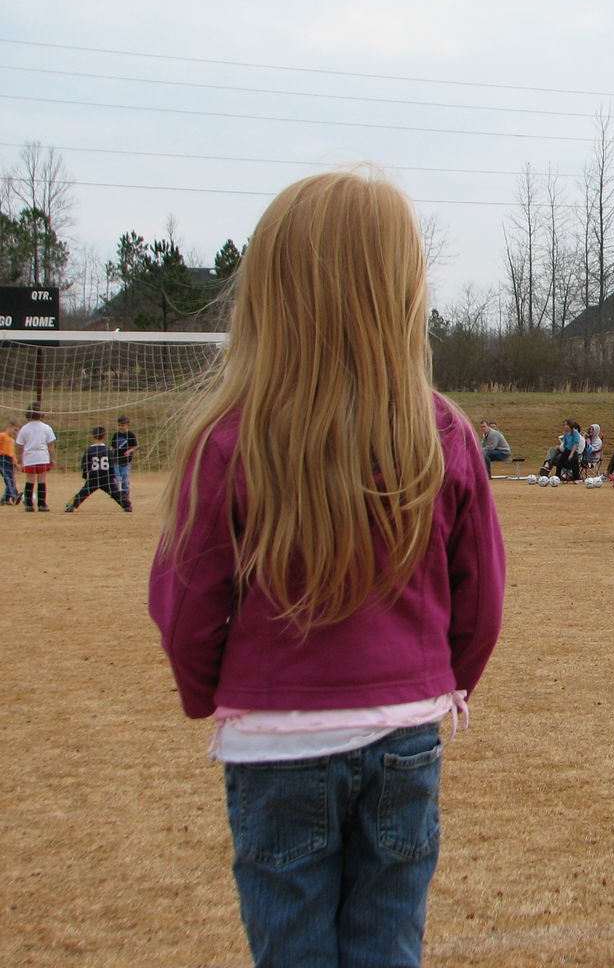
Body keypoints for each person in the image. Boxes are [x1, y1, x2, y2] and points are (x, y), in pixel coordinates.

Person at [147, 170, 505, 968]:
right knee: (387, 939)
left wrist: (209, 692)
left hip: (275, 743)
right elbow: (481, 599)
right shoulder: (440, 431)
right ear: (403, 290)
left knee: (292, 944)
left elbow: (186, 608)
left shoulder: (229, 437)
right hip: (405, 731)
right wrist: (437, 683)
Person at [65, 426, 131, 512]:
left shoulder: (89, 450)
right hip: (106, 477)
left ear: (93, 436)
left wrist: (85, 476)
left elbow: (85, 465)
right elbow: (111, 465)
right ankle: (127, 506)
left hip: (94, 476)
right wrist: (113, 477)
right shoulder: (108, 450)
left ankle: (71, 505)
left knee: (84, 492)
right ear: (105, 436)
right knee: (115, 493)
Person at [15, 403, 56, 512]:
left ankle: (28, 505)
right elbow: (51, 447)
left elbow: (20, 446)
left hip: (29, 458)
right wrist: (53, 459)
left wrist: (20, 460)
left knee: (30, 480)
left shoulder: (24, 428)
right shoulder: (46, 427)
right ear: (41, 414)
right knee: (42, 480)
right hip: (42, 457)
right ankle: (42, 504)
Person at [112, 414, 138, 501]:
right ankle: (117, 492)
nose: (120, 427)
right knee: (116, 477)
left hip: (126, 461)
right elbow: (113, 446)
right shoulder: (116, 435)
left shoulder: (130, 435)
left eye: (122, 425)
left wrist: (129, 451)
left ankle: (125, 492)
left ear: (127, 425)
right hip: (116, 460)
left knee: (124, 477)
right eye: (119, 425)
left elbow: (134, 446)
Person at [0, 420, 18, 506]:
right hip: (2, 459)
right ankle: (14, 495)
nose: (16, 432)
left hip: (9, 460)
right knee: (8, 478)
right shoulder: (2, 436)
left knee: (11, 479)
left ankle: (5, 498)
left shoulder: (11, 440)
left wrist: (15, 461)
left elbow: (12, 452)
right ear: (10, 427)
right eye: (15, 430)